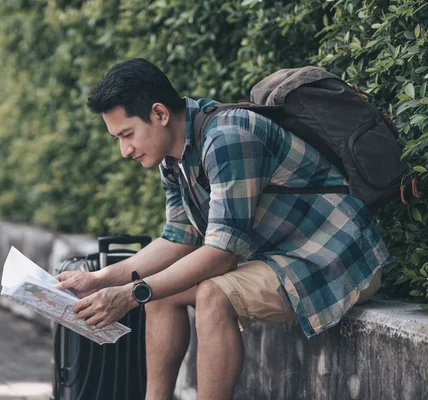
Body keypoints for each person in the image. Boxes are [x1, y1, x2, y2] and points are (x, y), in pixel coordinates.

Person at [54, 59, 389, 400]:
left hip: (334, 257)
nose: (124, 150)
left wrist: (130, 293)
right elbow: (178, 239)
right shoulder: (174, 159)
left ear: (159, 114)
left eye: (127, 134)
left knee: (212, 294)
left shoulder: (228, 136)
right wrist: (101, 279)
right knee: (161, 293)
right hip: (283, 257)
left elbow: (220, 256)